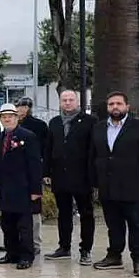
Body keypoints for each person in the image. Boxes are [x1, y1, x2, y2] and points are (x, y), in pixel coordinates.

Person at [89, 92, 139, 277]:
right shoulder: (99, 128)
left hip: (132, 186)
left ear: (127, 106)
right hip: (107, 186)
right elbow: (93, 156)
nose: (115, 107)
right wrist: (94, 182)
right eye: (111, 104)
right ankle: (114, 256)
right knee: (113, 224)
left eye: (119, 103)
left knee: (136, 224)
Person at [43, 89, 97, 265]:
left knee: (86, 213)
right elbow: (48, 149)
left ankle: (86, 250)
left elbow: (93, 150)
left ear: (78, 102)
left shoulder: (90, 122)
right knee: (64, 213)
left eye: (71, 99)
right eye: (64, 100)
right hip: (60, 175)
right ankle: (64, 247)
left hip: (82, 176)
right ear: (60, 102)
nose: (67, 103)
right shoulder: (55, 123)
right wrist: (46, 172)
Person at [0, 103, 42, 270]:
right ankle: (11, 253)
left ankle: (27, 256)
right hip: (5, 189)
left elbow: (35, 164)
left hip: (23, 188)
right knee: (7, 224)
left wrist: (36, 190)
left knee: (24, 225)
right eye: (4, 117)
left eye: (10, 116)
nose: (7, 119)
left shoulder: (27, 136)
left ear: (17, 117)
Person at [15, 96, 48, 254]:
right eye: (19, 106)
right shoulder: (11, 126)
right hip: (15, 175)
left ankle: (35, 243)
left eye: (23, 106)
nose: (21, 109)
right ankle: (18, 241)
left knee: (34, 210)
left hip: (33, 172)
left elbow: (44, 150)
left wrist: (44, 171)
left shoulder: (38, 126)